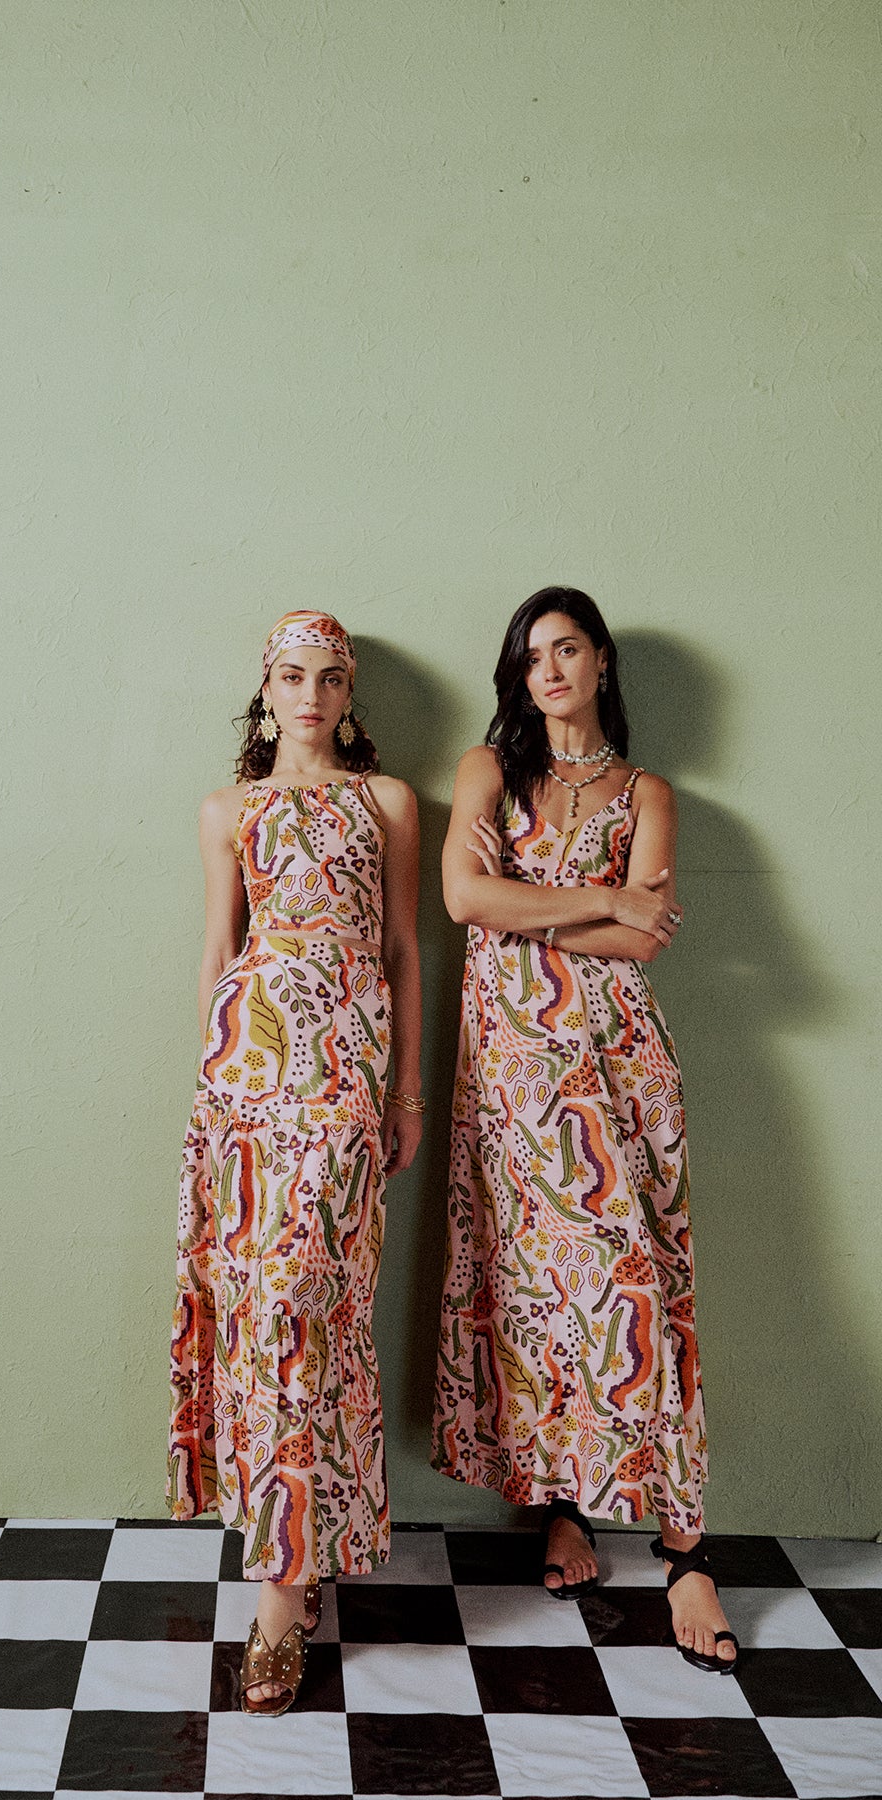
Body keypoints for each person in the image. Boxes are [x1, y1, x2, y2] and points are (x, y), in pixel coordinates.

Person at [431, 587, 738, 1674]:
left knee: (643, 1282)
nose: (549, 669)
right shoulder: (488, 770)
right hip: (515, 1072)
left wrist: (533, 902)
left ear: (602, 661)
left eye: (567, 649)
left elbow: (647, 941)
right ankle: (563, 1504)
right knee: (537, 1291)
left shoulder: (648, 791)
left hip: (622, 1062)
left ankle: (686, 1548)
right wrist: (602, 901)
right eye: (532, 656)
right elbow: (464, 900)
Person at [168, 610, 423, 1715]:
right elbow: (219, 951)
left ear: (348, 694)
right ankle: (286, 1572)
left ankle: (287, 1576)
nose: (310, 694)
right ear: (265, 691)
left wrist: (405, 1092)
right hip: (247, 1082)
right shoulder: (228, 810)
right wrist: (213, 1094)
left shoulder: (388, 802)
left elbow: (404, 949)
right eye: (290, 675)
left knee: (311, 1307)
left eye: (328, 677)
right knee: (259, 1314)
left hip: (346, 1077)